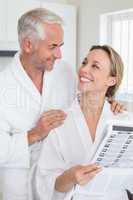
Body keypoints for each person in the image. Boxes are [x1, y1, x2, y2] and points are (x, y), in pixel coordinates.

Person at [0, 7, 124, 200]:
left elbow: (86, 94)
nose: (59, 54)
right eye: (52, 46)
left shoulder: (63, 71)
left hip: (60, 181)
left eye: (61, 45)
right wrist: (34, 134)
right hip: (20, 183)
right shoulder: (3, 86)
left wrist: (110, 102)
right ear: (28, 44)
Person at [33, 45, 133, 200]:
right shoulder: (60, 120)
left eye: (95, 66)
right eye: (84, 63)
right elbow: (45, 183)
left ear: (111, 80)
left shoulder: (124, 120)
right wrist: (71, 176)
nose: (84, 69)